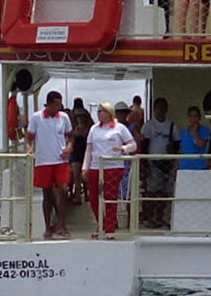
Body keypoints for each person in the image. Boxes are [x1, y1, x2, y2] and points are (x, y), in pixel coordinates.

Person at [83, 102, 137, 236]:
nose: (99, 113)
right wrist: (85, 167)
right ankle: (100, 224)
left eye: (102, 111)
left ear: (109, 113)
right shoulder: (94, 129)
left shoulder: (120, 128)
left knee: (110, 197)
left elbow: (133, 145)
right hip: (96, 166)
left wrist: (123, 149)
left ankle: (110, 228)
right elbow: (89, 150)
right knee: (94, 197)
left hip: (114, 166)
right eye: (98, 111)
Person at [26, 91, 74, 240]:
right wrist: (29, 149)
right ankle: (48, 228)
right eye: (56, 105)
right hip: (43, 161)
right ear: (49, 104)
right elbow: (29, 138)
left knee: (63, 190)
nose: (58, 108)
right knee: (47, 194)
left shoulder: (64, 117)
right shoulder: (36, 118)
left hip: (61, 161)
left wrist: (69, 147)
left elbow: (70, 136)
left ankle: (62, 224)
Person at [139, 97, 179, 229]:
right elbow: (144, 146)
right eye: (158, 108)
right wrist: (144, 165)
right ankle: (151, 218)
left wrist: (172, 151)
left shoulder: (172, 126)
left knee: (164, 192)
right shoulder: (149, 125)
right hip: (153, 162)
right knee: (152, 192)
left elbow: (177, 146)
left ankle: (161, 217)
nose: (161, 111)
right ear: (154, 109)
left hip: (167, 163)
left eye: (163, 108)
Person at [68, 110, 92, 205]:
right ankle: (77, 195)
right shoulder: (73, 128)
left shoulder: (89, 128)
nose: (80, 118)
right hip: (75, 153)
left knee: (85, 176)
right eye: (78, 116)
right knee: (76, 176)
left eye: (81, 116)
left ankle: (87, 193)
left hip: (85, 153)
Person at [178, 105, 211, 170]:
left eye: (195, 116)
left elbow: (201, 145)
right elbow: (181, 150)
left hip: (199, 167)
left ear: (199, 118)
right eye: (191, 116)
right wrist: (175, 168)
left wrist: (195, 132)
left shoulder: (205, 130)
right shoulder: (184, 131)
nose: (193, 119)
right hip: (184, 167)